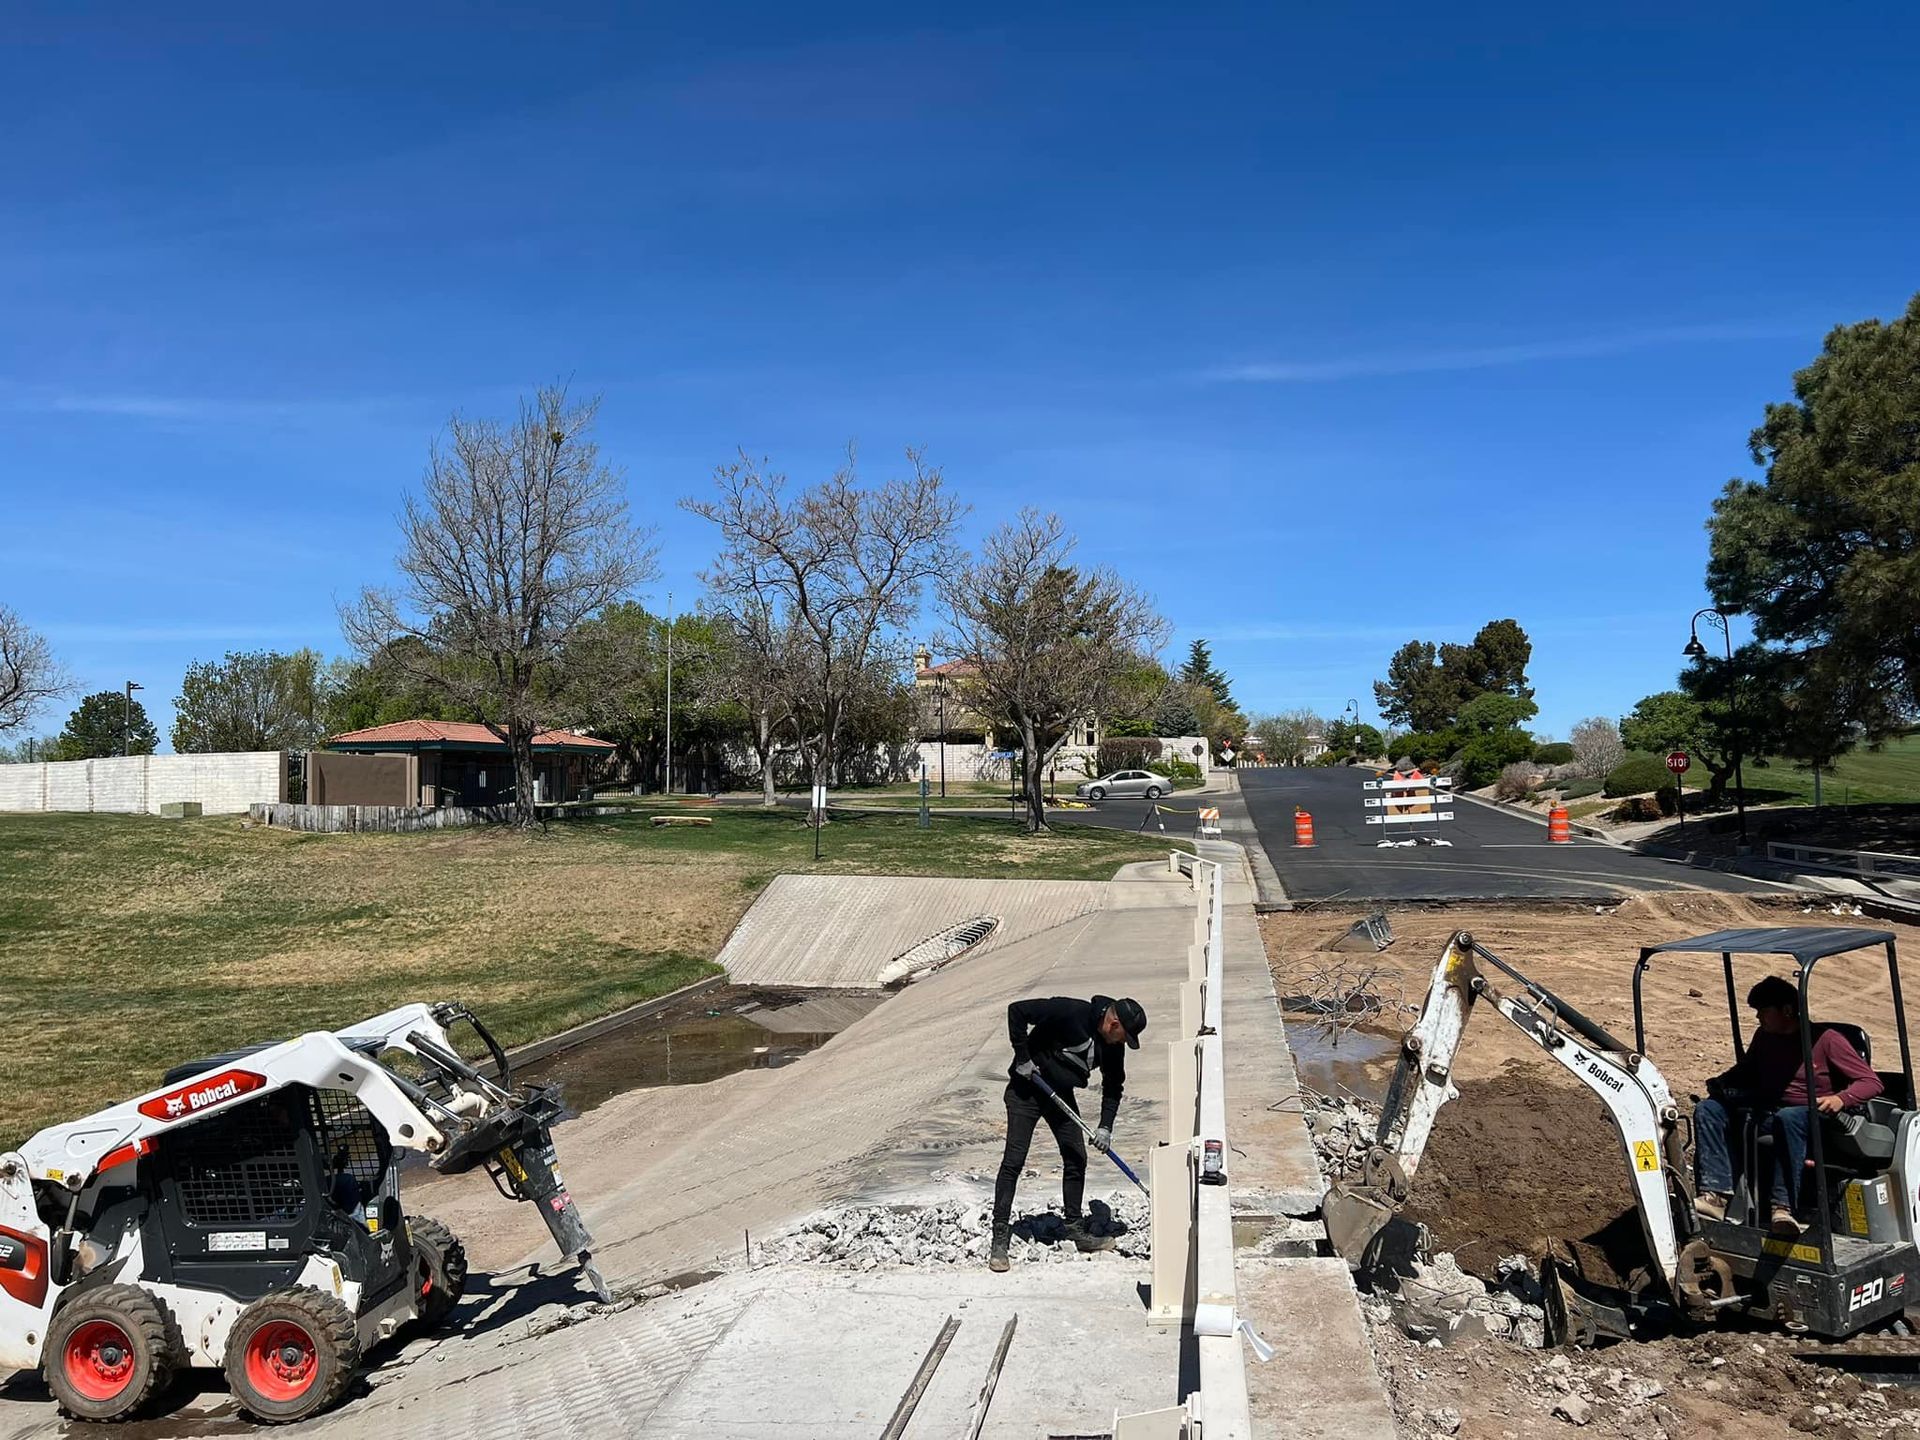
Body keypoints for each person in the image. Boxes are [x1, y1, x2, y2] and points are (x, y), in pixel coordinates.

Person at [1694, 974, 1883, 1235]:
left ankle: (1783, 1209)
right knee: (1709, 1109)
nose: (1758, 1017)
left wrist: (1840, 1099)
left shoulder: (1827, 1040)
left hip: (1815, 1118)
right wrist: (1721, 1082)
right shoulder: (1764, 1036)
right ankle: (1715, 1195)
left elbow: (1870, 1082)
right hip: (1770, 1110)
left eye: (1763, 1011)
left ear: (1787, 1010)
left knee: (1789, 1118)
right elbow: (1748, 1070)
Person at [990, 993, 1147, 1272]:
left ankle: (1074, 1227)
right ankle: (1000, 1234)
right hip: (1026, 1090)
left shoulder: (1113, 1048)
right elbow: (1017, 1011)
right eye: (1124, 1035)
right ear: (1113, 1023)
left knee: (1076, 1157)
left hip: (1058, 1094)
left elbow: (1113, 1087)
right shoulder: (1071, 1012)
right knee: (1014, 1160)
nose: (1124, 1042)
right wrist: (1022, 1057)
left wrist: (1105, 1127)